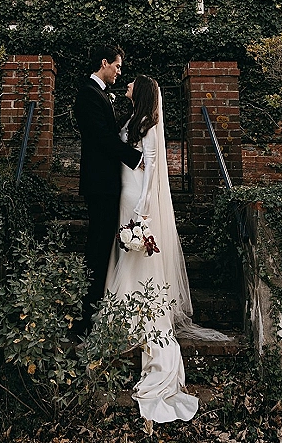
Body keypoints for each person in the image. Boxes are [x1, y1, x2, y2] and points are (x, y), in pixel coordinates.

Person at [105, 74, 228, 430]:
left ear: (140, 93)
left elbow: (155, 166)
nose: (125, 84)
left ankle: (137, 316)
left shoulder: (148, 124)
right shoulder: (130, 120)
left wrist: (143, 212)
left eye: (131, 84)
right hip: (124, 194)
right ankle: (122, 310)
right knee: (124, 256)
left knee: (137, 257)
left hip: (137, 200)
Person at [73, 44, 142, 333]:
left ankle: (94, 311)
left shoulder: (100, 93)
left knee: (102, 247)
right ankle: (84, 320)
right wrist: (134, 157)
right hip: (99, 184)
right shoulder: (88, 94)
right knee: (97, 249)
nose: (119, 71)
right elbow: (101, 137)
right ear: (104, 63)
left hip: (106, 183)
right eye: (117, 66)